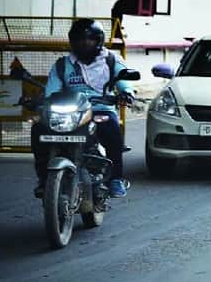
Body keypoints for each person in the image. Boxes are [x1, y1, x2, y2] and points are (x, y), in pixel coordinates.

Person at [32, 19, 135, 199]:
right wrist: (41, 103)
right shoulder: (62, 64)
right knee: (39, 128)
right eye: (79, 40)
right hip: (71, 112)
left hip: (100, 109)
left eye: (89, 39)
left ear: (98, 40)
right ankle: (44, 179)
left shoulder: (111, 60)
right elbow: (51, 92)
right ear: (72, 41)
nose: (84, 44)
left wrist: (126, 92)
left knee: (111, 128)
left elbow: (123, 78)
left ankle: (115, 179)